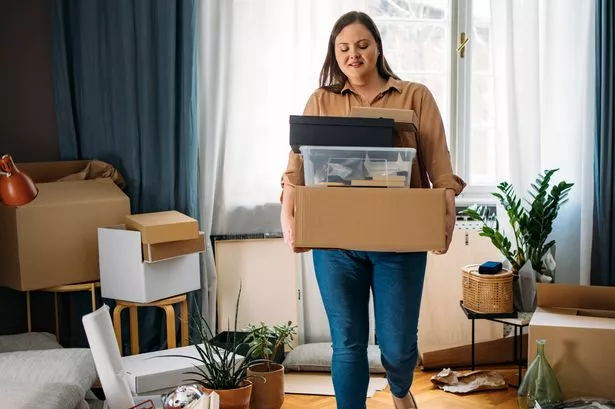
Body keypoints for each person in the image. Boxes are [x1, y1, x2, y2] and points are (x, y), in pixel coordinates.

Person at [280, 10, 465, 409]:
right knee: (347, 344)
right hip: (336, 244)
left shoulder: (415, 96)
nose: (353, 54)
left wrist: (446, 213)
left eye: (362, 45)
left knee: (398, 348)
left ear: (378, 47)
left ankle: (399, 390)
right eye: (343, 48)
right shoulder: (321, 101)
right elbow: (295, 174)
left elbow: (441, 170)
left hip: (399, 243)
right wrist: (288, 221)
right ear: (334, 54)